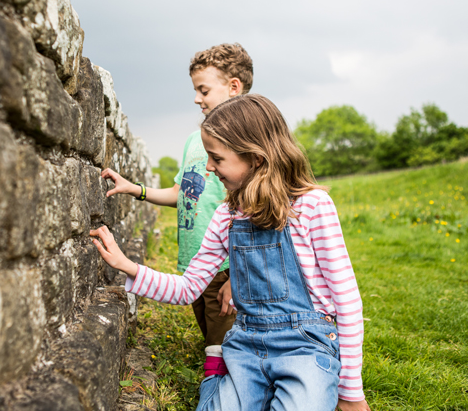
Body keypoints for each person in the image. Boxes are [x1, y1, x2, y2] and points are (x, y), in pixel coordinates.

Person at [92, 94, 370, 410]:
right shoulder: (227, 216)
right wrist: (128, 266)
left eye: (217, 158)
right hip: (246, 345)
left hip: (306, 348)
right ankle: (217, 375)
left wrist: (351, 393)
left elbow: (347, 301)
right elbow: (187, 289)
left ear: (256, 159)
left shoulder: (312, 208)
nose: (209, 167)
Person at [100, 43, 253, 377]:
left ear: (233, 87)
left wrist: (241, 274)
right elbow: (180, 193)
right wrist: (135, 189)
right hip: (196, 264)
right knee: (210, 332)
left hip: (226, 265)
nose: (197, 98)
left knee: (222, 344)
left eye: (203, 90)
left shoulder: (245, 144)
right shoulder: (193, 141)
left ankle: (224, 382)